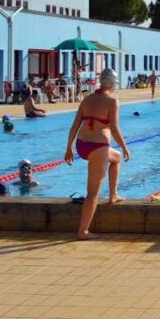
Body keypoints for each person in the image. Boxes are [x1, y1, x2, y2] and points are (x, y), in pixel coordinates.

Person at [65, 68, 130, 240]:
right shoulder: (112, 101)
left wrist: (68, 149)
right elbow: (115, 129)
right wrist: (125, 147)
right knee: (93, 193)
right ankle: (83, 231)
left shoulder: (87, 100)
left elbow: (74, 126)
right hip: (97, 146)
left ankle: (113, 194)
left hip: (81, 145)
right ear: (113, 84)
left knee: (115, 159)